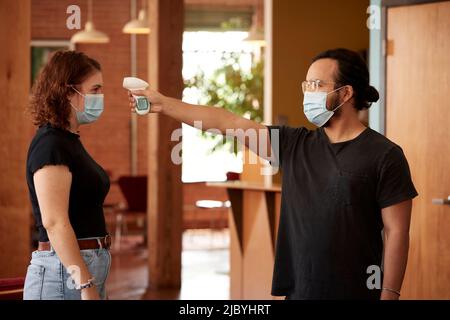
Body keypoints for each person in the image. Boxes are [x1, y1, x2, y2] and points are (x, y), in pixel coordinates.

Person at [128, 48, 418, 300]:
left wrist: (389, 294)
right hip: (299, 291)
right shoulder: (292, 144)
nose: (308, 92)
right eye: (306, 84)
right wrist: (164, 103)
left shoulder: (385, 155)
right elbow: (225, 121)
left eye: (317, 84)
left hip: (358, 293)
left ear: (345, 93)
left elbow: (397, 232)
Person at [24, 51, 112, 300]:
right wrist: (85, 283)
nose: (100, 97)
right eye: (95, 89)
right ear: (67, 92)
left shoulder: (69, 140)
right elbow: (54, 222)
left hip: (80, 268)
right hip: (63, 274)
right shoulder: (51, 143)